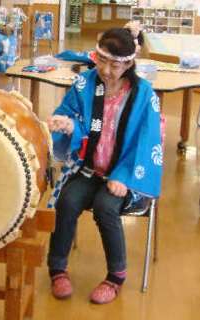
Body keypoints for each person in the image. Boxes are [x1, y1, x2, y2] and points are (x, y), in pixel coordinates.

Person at [46, 26, 163, 304]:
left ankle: (116, 276)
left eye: (115, 64)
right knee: (68, 201)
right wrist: (68, 125)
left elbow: (147, 143)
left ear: (129, 64)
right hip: (90, 167)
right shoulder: (85, 83)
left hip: (125, 175)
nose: (106, 70)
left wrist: (123, 177)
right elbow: (68, 114)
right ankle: (57, 267)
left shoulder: (143, 94)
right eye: (102, 61)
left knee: (105, 207)